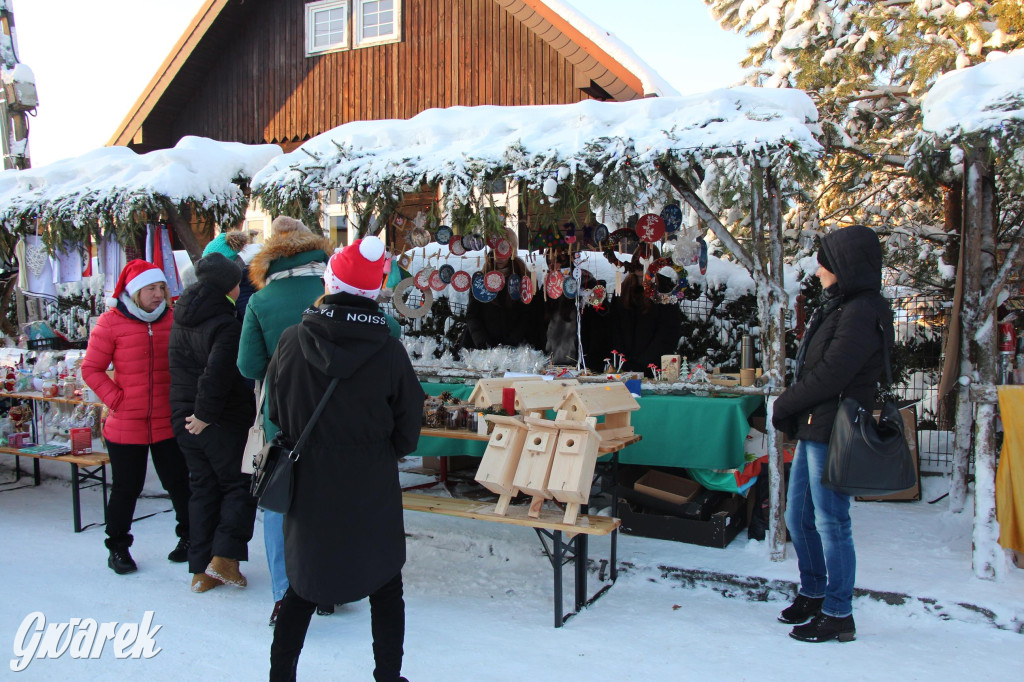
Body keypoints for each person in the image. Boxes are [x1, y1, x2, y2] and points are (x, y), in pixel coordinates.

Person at [266, 236, 425, 682]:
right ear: (373, 291)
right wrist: (376, 454)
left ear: (329, 282)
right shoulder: (388, 349)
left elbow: (276, 413)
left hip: (309, 485)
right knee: (385, 587)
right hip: (369, 486)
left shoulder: (291, 341)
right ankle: (388, 678)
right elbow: (408, 427)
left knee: (302, 586)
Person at [771, 224, 894, 643]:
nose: (819, 270)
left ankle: (839, 612)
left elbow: (831, 375)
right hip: (815, 426)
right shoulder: (841, 305)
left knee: (831, 521)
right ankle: (814, 591)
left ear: (844, 265)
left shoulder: (863, 310)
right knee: (797, 517)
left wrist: (785, 403)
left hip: (835, 429)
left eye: (825, 262)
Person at [237, 215, 331, 625]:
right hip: (334, 414)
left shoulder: (261, 300)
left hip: (283, 418)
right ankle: (327, 587)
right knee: (329, 502)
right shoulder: (332, 289)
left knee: (278, 505)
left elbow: (248, 365)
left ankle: (285, 594)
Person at [82, 260, 191, 575]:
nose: (158, 295)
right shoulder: (110, 323)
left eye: (161, 288)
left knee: (179, 484)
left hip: (167, 420)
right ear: (134, 291)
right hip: (125, 424)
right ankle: (118, 548)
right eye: (151, 289)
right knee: (126, 488)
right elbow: (91, 369)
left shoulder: (174, 320)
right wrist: (117, 398)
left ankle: (189, 539)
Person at [168, 252, 258, 593]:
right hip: (215, 419)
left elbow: (179, 369)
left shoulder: (182, 315)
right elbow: (216, 374)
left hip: (182, 415)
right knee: (238, 484)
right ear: (229, 286)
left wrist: (192, 415)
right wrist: (205, 415)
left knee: (203, 487)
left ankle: (200, 570)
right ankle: (224, 559)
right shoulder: (225, 322)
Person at [462, 229, 543, 350]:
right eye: (495, 249)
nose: (499, 255)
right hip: (483, 350)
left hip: (518, 349)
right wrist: (482, 342)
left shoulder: (525, 278)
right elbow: (472, 315)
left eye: (504, 248)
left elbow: (529, 315)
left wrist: (512, 342)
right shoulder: (481, 279)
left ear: (512, 250)